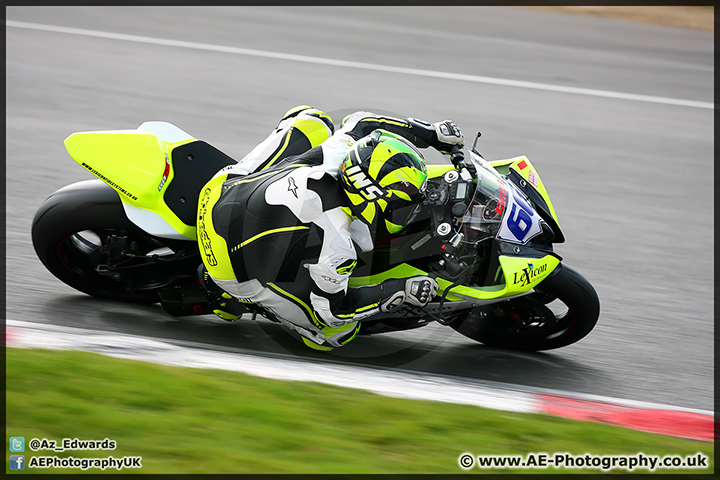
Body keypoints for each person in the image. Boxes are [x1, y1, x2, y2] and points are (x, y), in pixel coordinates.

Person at [196, 106, 464, 350]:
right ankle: (230, 295)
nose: (408, 211)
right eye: (401, 204)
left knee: (314, 119)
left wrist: (429, 134)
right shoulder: (336, 243)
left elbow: (361, 123)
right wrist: (398, 289)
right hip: (228, 267)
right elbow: (333, 311)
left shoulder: (342, 157)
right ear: (368, 193)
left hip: (221, 190)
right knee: (334, 334)